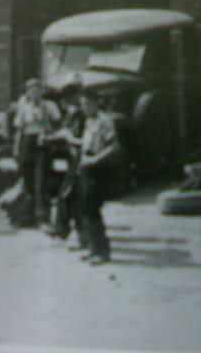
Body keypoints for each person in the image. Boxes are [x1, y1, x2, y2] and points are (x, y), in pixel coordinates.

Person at [75, 88, 122, 266]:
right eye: (82, 105)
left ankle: (102, 251)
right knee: (86, 208)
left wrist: (94, 160)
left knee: (92, 207)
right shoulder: (89, 121)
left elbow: (114, 147)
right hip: (87, 167)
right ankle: (93, 248)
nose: (84, 108)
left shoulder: (105, 121)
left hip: (99, 168)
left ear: (96, 103)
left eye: (87, 104)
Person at [13, 78, 61, 227]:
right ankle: (27, 216)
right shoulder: (23, 107)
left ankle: (43, 217)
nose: (34, 93)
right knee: (27, 181)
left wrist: (49, 133)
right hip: (27, 143)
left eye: (38, 89)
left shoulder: (50, 106)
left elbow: (58, 124)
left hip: (43, 143)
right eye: (31, 90)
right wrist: (16, 149)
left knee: (41, 180)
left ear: (42, 91)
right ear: (27, 92)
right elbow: (19, 131)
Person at [46, 79, 88, 248]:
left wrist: (66, 136)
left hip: (81, 161)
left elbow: (80, 139)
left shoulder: (81, 116)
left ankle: (73, 234)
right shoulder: (71, 115)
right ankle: (64, 231)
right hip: (72, 160)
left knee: (73, 197)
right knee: (68, 196)